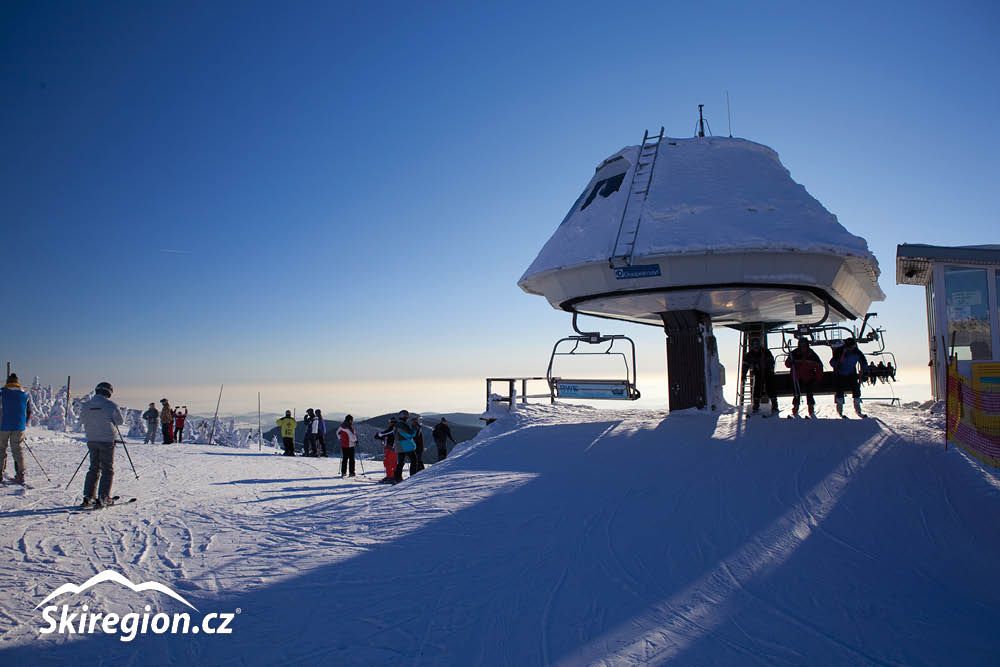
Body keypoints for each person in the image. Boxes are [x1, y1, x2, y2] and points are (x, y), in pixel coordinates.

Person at [79, 382, 123, 508]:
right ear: (109, 392)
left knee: (93, 468)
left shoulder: (86, 405)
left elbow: (82, 420)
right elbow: (120, 421)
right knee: (107, 469)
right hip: (107, 440)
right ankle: (103, 497)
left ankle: (88, 497)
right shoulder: (111, 405)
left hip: (92, 439)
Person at [0, 373, 33, 485]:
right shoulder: (24, 395)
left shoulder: (2, 393)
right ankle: (20, 474)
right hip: (19, 426)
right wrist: (24, 423)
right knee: (17, 450)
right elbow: (29, 412)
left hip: (2, 425)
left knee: (1, 449)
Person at [831, 338, 869, 418]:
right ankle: (840, 410)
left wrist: (865, 373)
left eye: (852, 346)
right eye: (849, 347)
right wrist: (839, 360)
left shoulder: (857, 352)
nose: (850, 348)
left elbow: (863, 362)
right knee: (840, 390)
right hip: (840, 374)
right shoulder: (840, 351)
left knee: (856, 389)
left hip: (851, 374)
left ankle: (858, 409)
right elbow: (832, 362)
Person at [785, 338, 823, 418]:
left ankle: (811, 409)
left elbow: (819, 365)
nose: (803, 346)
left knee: (809, 393)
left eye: (804, 344)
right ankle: (795, 409)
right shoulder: (794, 353)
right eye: (801, 344)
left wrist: (818, 377)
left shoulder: (811, 353)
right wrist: (791, 362)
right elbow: (787, 364)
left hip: (809, 376)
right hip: (797, 377)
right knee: (796, 394)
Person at [742, 338, 778, 415]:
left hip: (768, 373)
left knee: (770, 387)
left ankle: (774, 405)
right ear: (752, 346)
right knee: (757, 388)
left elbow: (771, 361)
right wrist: (743, 375)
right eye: (754, 345)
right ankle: (756, 405)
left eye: (757, 344)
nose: (756, 347)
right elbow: (745, 365)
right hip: (758, 373)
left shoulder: (766, 352)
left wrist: (769, 368)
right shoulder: (750, 355)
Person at [393, 410, 419, 483]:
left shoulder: (397, 424)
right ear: (405, 417)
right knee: (414, 460)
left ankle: (397, 478)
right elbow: (410, 434)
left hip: (399, 446)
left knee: (401, 462)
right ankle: (413, 476)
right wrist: (414, 427)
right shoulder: (402, 425)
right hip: (406, 445)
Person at [376, 417, 397, 483]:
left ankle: (390, 477)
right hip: (393, 448)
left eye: (390, 422)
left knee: (388, 463)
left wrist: (379, 435)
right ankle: (393, 476)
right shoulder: (395, 429)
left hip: (390, 448)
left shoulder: (392, 429)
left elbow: (380, 435)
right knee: (393, 463)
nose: (390, 423)